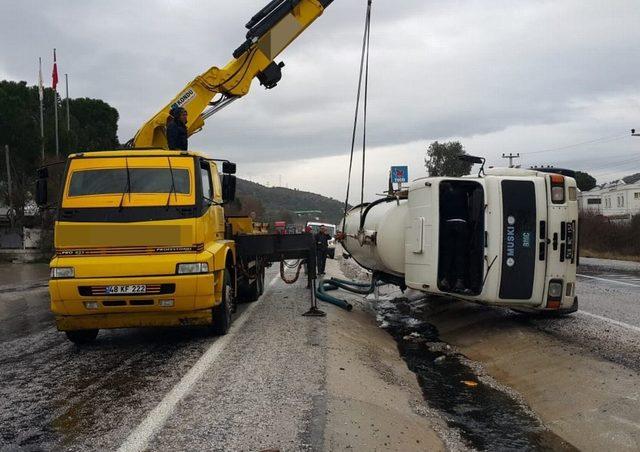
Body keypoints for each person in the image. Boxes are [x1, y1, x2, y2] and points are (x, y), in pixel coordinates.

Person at [439, 183, 470, 293]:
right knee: (460, 254)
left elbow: (441, 210)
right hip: (462, 224)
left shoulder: (444, 195)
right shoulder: (463, 193)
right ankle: (459, 281)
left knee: (447, 253)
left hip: (448, 224)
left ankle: (445, 279)